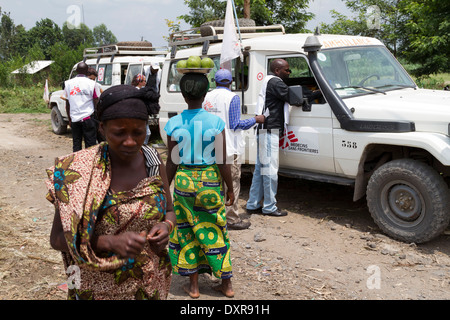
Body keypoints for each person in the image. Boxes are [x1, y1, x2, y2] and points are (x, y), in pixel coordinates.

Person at [47, 84, 176, 300]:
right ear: (102, 129)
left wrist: (166, 226)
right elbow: (58, 239)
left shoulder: (152, 161)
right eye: (119, 133)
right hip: (95, 288)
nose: (130, 141)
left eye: (138, 132)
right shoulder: (77, 170)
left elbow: (170, 210)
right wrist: (108, 242)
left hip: (147, 284)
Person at [164, 72, 235, 299]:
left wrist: (165, 188)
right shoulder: (215, 122)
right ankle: (226, 284)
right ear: (205, 95)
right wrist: (230, 187)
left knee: (186, 230)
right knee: (216, 227)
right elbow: (223, 160)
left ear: (183, 96)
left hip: (184, 181)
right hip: (210, 182)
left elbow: (172, 161)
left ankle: (193, 287)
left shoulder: (174, 124)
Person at [203, 68, 265, 230]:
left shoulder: (206, 97)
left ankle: (213, 217)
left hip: (209, 147)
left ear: (215, 82)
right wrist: (256, 119)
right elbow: (235, 124)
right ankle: (231, 219)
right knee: (232, 183)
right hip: (229, 147)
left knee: (214, 183)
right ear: (231, 82)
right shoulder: (232, 98)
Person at [246, 59, 293, 217]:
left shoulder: (269, 81)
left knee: (261, 169)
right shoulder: (276, 82)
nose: (289, 72)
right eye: (287, 70)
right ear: (278, 70)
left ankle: (253, 203)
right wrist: (313, 93)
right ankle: (270, 207)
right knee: (270, 170)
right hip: (269, 130)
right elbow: (293, 97)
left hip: (264, 129)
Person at [64, 62, 100, 152]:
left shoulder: (68, 83)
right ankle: (89, 164)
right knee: (90, 144)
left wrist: (69, 118)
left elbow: (67, 103)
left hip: (74, 118)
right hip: (88, 118)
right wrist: (98, 118)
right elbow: (96, 101)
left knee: (76, 144)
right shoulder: (92, 83)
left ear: (76, 71)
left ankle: (77, 164)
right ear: (87, 71)